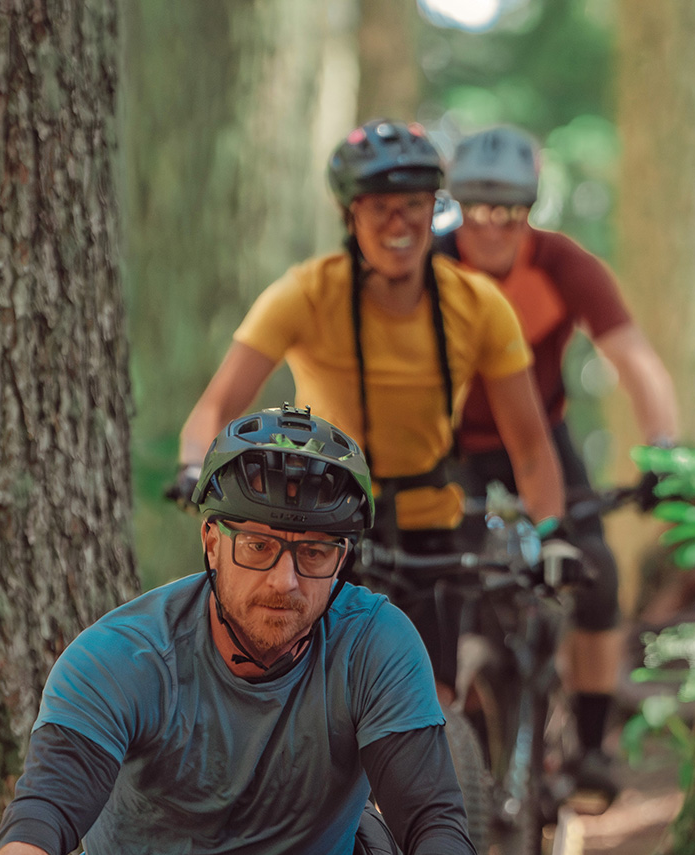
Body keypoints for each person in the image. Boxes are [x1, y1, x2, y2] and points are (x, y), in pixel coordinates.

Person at [0, 407, 482, 855]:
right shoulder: (123, 656)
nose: (285, 580)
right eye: (259, 545)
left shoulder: (375, 647)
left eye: (314, 552)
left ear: (344, 557)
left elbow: (437, 825)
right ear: (212, 541)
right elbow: (38, 823)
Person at [174, 119, 569, 699]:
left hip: (432, 527)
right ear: (350, 216)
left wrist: (552, 533)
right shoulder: (306, 293)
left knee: (430, 700)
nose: (398, 222)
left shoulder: (479, 304)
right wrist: (195, 470)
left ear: (434, 209)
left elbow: (531, 447)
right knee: (293, 689)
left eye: (413, 204)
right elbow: (214, 409)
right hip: (320, 519)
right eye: (378, 205)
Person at [440, 125, 682, 805]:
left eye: (509, 213)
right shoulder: (426, 268)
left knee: (595, 570)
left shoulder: (562, 265)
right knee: (440, 578)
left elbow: (633, 357)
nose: (492, 229)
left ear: (530, 210)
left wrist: (661, 446)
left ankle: (592, 747)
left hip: (540, 441)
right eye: (478, 211)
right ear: (458, 204)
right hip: (449, 447)